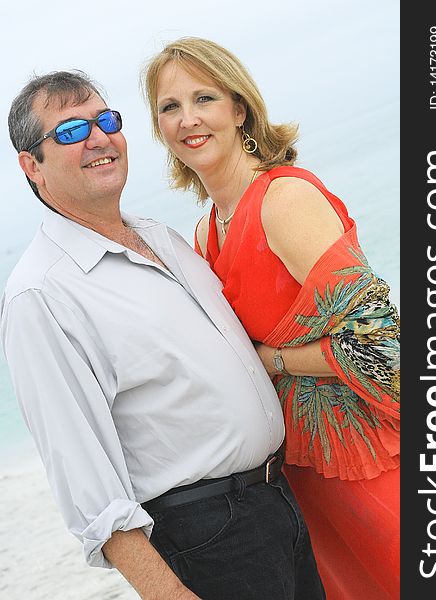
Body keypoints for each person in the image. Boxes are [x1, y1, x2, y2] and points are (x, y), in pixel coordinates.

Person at [1, 70, 327, 600]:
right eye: (69, 131)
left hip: (277, 504)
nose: (99, 138)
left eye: (106, 120)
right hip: (207, 538)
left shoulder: (164, 238)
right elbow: (89, 491)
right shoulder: (41, 295)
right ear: (31, 166)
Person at [144, 37, 400, 600]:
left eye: (204, 98)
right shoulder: (205, 232)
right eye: (169, 106)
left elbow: (386, 347)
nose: (188, 119)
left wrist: (273, 360)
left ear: (239, 109)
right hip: (301, 474)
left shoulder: (282, 200)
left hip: (370, 458)